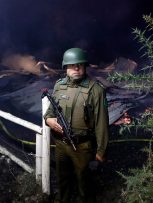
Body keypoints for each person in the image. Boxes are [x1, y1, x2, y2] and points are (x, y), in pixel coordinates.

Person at [44, 48, 109, 203]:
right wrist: (49, 120)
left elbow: (102, 123)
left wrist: (101, 151)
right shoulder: (59, 86)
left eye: (80, 65)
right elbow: (50, 112)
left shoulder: (96, 90)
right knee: (63, 180)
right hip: (60, 144)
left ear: (85, 66)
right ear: (65, 67)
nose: (76, 68)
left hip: (82, 146)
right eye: (72, 65)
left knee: (84, 184)